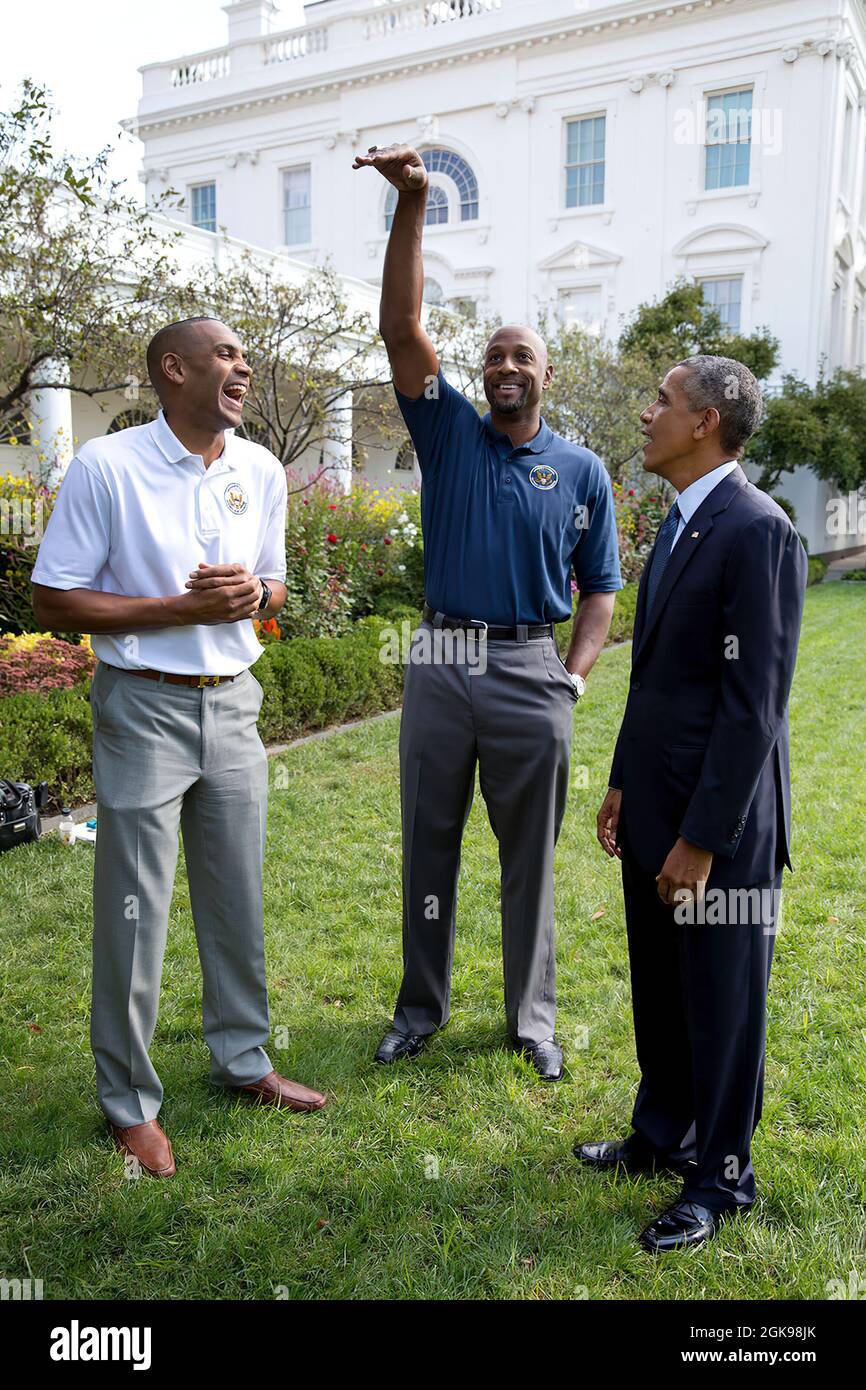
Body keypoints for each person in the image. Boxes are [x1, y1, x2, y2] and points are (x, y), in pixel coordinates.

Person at [31, 316, 326, 1180]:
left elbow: (274, 583)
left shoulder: (261, 469)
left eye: (243, 353)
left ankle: (245, 1060)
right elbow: (55, 601)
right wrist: (176, 612)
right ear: (173, 369)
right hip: (143, 708)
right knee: (136, 911)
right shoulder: (107, 466)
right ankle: (129, 1102)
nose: (245, 365)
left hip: (235, 705)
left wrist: (255, 592)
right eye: (228, 355)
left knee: (237, 896)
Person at [353, 143, 622, 1080]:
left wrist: (573, 678)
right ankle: (419, 1009)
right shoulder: (451, 432)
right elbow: (400, 327)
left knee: (529, 863)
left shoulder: (584, 471)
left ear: (546, 375)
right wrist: (415, 203)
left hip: (529, 670)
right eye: (495, 355)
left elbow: (602, 589)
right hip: (439, 663)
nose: (506, 365)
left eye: (523, 355)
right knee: (428, 843)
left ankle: (532, 1022)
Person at [582, 355, 807, 1251]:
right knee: (661, 984)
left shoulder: (759, 529)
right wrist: (624, 783)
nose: (647, 415)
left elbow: (755, 705)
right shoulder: (681, 521)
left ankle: (721, 1177)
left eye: (662, 403)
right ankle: (661, 1132)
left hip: (721, 825)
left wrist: (704, 839)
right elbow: (660, 681)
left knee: (720, 998)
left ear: (707, 421)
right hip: (655, 805)